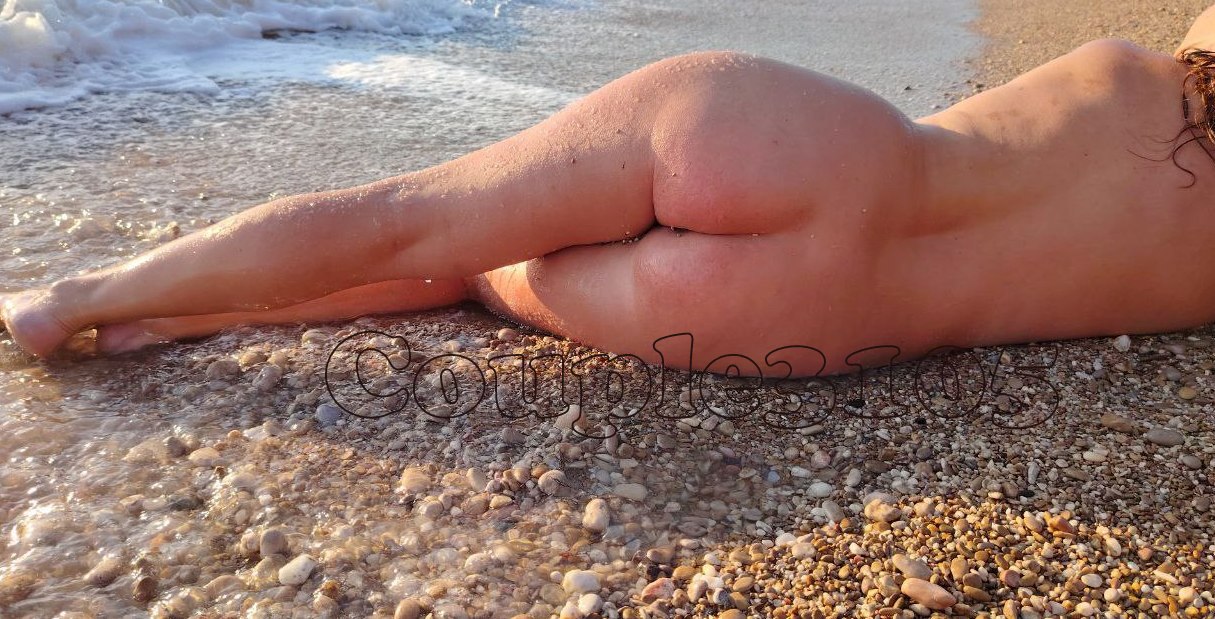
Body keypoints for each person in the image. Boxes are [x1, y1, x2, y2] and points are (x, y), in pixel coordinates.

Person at [6, 9, 1215, 377]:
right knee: (470, 280)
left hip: (808, 144)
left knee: (412, 217)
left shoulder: (1174, 66)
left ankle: (92, 294)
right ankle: (196, 314)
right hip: (816, 319)